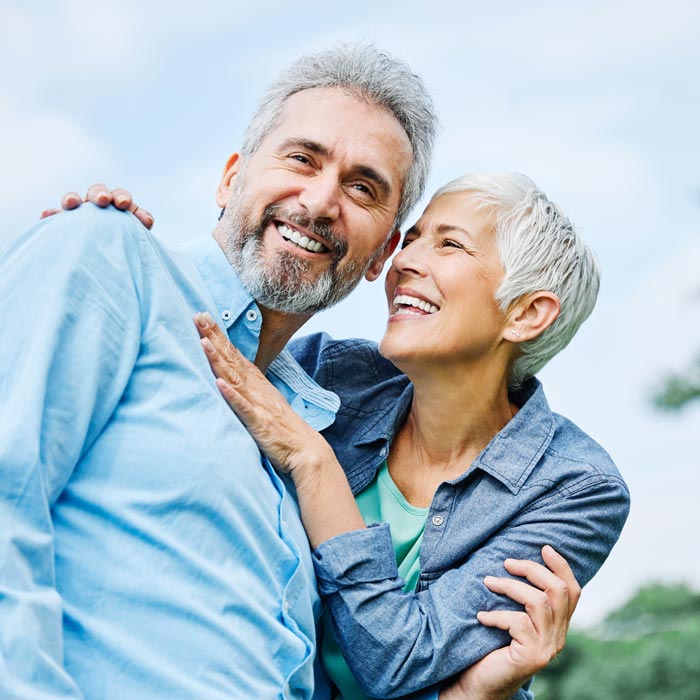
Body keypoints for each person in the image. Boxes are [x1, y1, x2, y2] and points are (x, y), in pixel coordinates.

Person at [0, 44, 578, 700]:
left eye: (363, 187)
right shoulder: (109, 255)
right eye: (302, 158)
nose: (322, 199)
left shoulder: (314, 438)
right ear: (230, 179)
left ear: (380, 255)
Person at [193, 172, 631, 699]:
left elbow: (399, 663)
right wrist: (109, 245)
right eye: (413, 237)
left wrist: (314, 463)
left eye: (449, 244)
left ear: (526, 313)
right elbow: (188, 357)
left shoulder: (576, 488)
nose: (403, 262)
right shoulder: (329, 373)